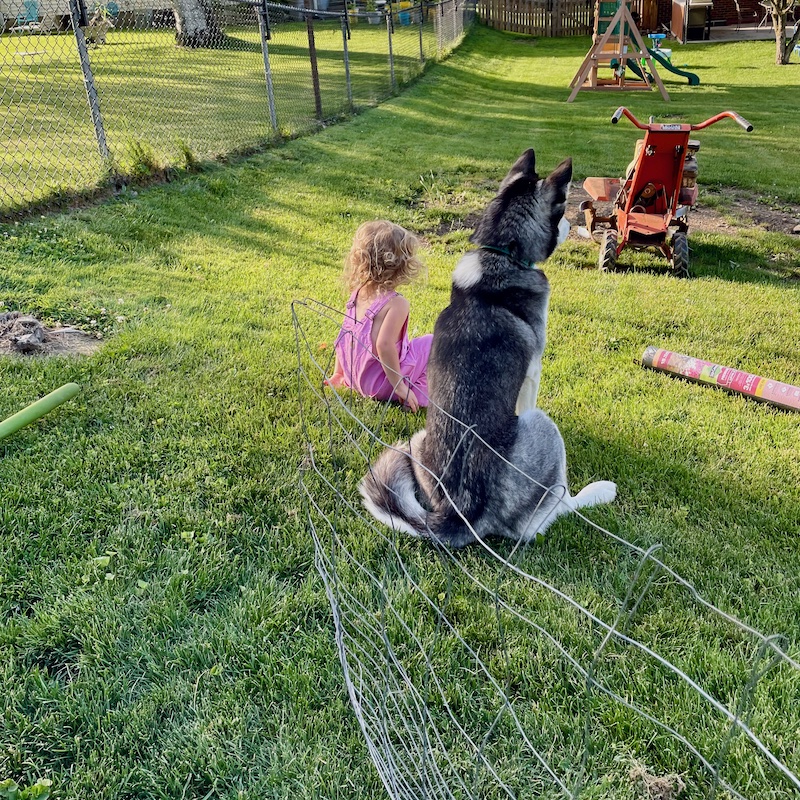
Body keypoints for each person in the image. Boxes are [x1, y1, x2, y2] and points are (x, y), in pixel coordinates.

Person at [326, 221, 432, 412]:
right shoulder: (397, 303)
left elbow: (345, 335)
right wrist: (399, 385)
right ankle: (413, 395)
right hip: (381, 384)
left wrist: (339, 373)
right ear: (403, 266)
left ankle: (344, 376)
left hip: (356, 378)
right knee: (432, 344)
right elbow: (384, 345)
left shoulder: (358, 292)